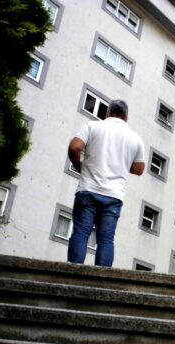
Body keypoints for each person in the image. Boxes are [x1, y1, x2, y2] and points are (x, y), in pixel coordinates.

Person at [66, 100, 145, 267]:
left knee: (81, 232)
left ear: (107, 114)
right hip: (113, 196)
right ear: (126, 117)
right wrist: (121, 162)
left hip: (88, 190)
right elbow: (139, 169)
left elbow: (75, 147)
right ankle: (102, 281)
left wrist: (78, 165)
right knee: (106, 239)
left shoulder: (92, 126)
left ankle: (71, 276)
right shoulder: (135, 138)